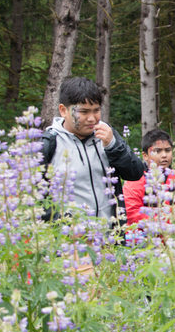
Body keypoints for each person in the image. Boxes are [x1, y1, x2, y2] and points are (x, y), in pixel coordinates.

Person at [41, 76, 146, 226]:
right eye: (83, 112)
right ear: (63, 110)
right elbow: (37, 198)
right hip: (69, 241)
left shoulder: (107, 135)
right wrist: (62, 226)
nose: (92, 118)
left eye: (96, 111)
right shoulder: (49, 143)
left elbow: (135, 173)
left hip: (109, 239)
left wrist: (112, 146)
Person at [123, 128, 175, 227]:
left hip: (167, 236)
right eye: (157, 151)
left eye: (168, 150)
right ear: (145, 156)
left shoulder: (174, 177)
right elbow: (131, 213)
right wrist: (158, 221)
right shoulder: (136, 179)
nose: (164, 155)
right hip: (142, 238)